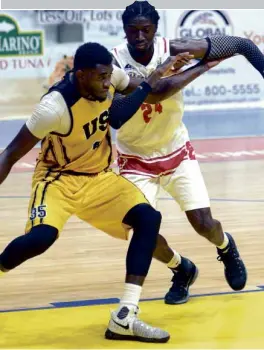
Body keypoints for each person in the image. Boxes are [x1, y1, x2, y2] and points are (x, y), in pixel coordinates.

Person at [0, 42, 222, 342]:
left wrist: (195, 68)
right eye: (100, 78)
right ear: (81, 75)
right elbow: (11, 153)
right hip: (59, 180)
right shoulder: (53, 108)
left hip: (99, 177)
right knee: (41, 238)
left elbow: (150, 93)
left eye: (109, 76)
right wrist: (150, 81)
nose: (108, 84)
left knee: (148, 218)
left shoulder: (112, 77)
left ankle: (125, 315)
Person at [111, 1, 263, 305]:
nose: (139, 36)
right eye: (133, 30)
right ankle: (181, 269)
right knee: (141, 231)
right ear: (124, 30)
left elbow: (243, 45)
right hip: (135, 159)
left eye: (146, 29)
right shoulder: (114, 63)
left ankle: (225, 247)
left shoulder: (175, 47)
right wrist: (201, 67)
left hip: (176, 150)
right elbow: (149, 96)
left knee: (203, 223)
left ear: (155, 30)